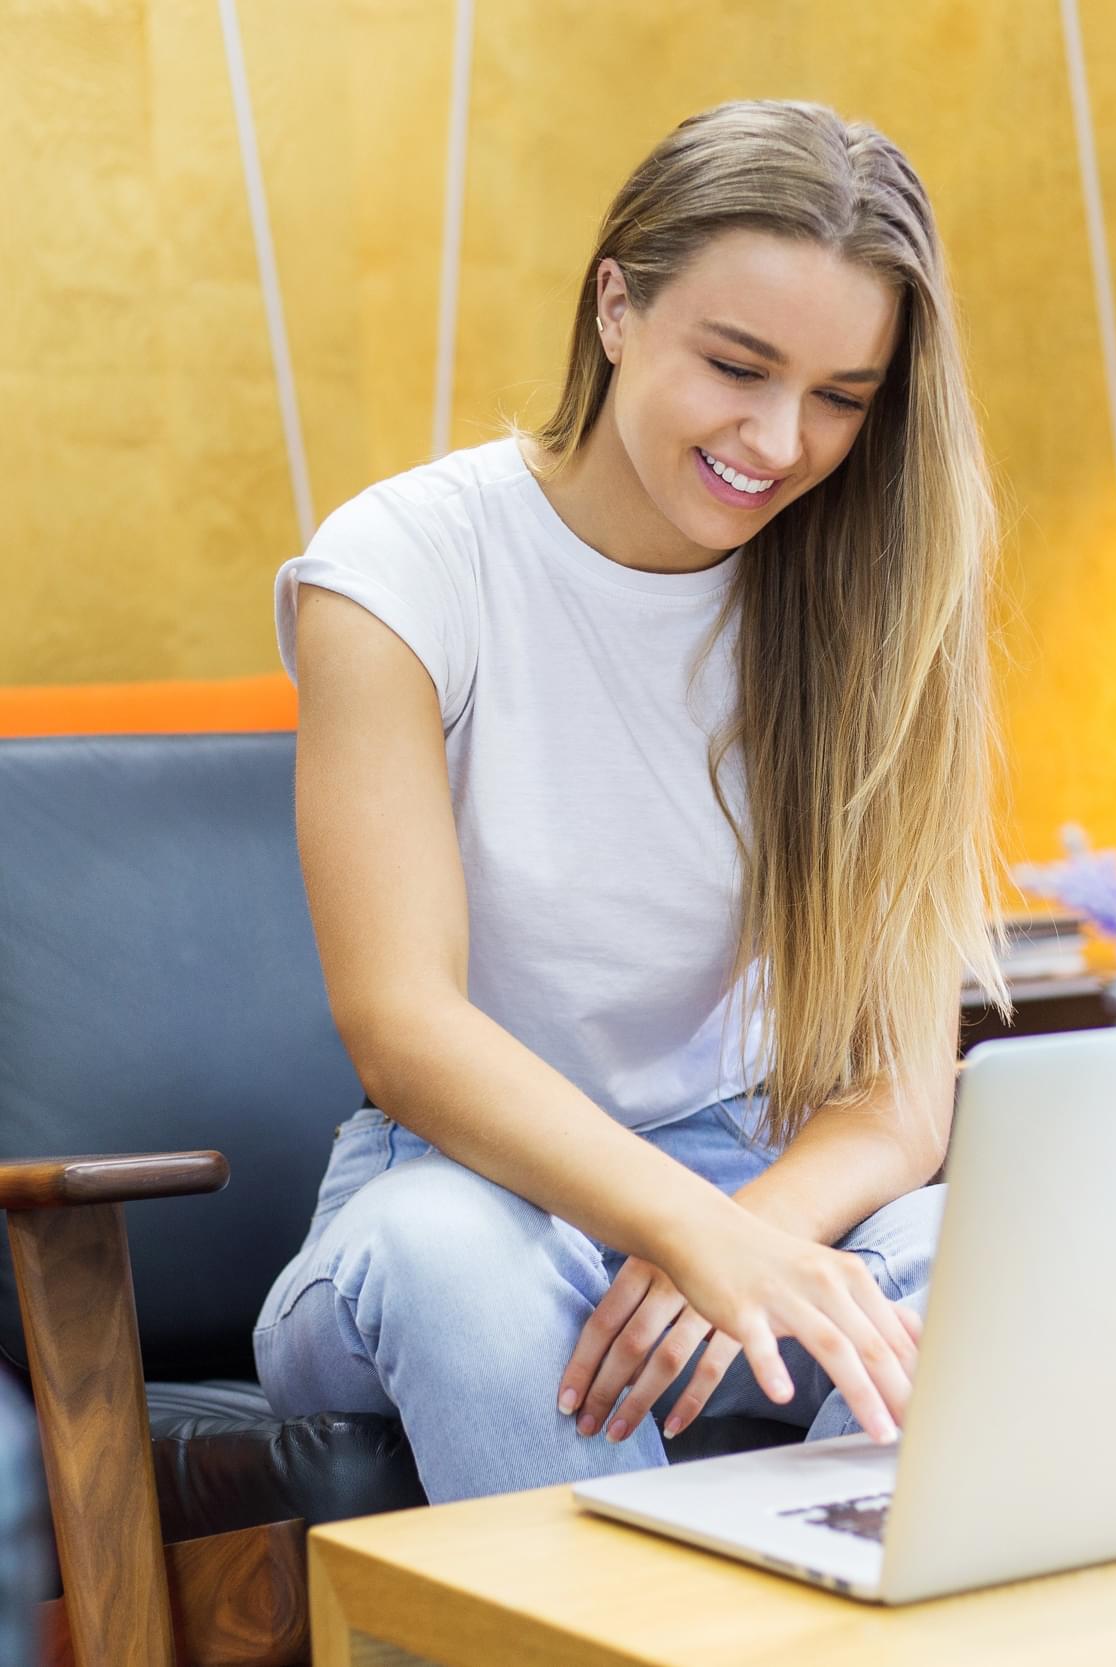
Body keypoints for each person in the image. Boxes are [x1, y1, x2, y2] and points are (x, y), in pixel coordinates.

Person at [252, 99, 1011, 1504]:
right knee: (453, 1260)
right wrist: (688, 1230)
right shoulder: (404, 566)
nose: (781, 440)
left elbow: (903, 1100)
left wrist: (738, 1236)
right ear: (616, 306)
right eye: (738, 365)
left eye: (843, 396)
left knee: (993, 1248)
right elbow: (402, 1028)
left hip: (744, 1200)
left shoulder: (884, 605)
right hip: (454, 1202)